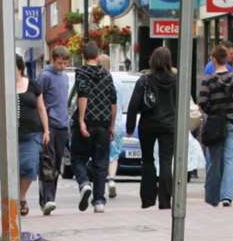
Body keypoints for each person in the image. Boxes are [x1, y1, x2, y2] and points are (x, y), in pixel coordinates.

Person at [0, 52, 50, 215]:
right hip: (5, 136)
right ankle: (14, 201)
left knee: (30, 167)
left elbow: (41, 108)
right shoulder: (0, 87)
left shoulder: (33, 85)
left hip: (31, 134)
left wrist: (46, 130)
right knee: (9, 170)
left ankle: (21, 197)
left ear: (20, 69)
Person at [125, 46, 180, 209]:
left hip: (148, 124)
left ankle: (148, 198)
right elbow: (180, 103)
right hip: (169, 125)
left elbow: (133, 105)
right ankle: (165, 200)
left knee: (148, 160)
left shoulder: (144, 80)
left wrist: (130, 126)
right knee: (166, 161)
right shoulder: (175, 80)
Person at [199, 43, 233, 207]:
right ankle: (227, 196)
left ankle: (213, 196)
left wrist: (213, 111)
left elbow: (203, 103)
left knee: (214, 159)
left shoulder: (208, 80)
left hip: (215, 123)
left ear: (214, 59)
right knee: (229, 159)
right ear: (226, 58)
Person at [72, 42, 118, 212]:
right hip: (104, 124)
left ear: (83, 57)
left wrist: (81, 120)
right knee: (101, 162)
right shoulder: (106, 75)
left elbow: (83, 95)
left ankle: (84, 183)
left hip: (88, 121)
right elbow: (113, 101)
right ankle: (99, 201)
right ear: (97, 56)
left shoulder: (81, 72)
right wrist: (112, 125)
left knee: (78, 157)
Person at [34, 46, 73, 214]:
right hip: (49, 125)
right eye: (59, 63)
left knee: (56, 165)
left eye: (65, 63)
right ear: (52, 60)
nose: (62, 66)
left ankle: (49, 199)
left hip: (63, 125)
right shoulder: (45, 76)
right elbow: (38, 100)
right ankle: (47, 199)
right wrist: (43, 128)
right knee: (47, 162)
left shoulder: (64, 77)